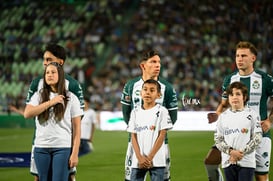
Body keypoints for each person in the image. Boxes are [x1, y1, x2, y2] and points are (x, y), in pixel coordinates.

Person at [205, 41, 273, 181]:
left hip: (259, 134)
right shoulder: (230, 79)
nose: (239, 59)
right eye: (237, 56)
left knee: (261, 176)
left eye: (243, 56)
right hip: (233, 134)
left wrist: (269, 120)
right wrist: (217, 114)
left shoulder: (265, 79)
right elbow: (224, 104)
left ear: (253, 58)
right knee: (211, 161)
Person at [26, 43, 84, 181]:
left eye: (49, 59)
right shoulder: (36, 84)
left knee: (69, 177)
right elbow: (29, 112)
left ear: (60, 62)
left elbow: (77, 121)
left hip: (63, 143)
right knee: (38, 178)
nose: (45, 63)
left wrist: (74, 150)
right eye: (44, 59)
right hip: (40, 142)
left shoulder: (73, 85)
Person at [121, 50, 178, 181]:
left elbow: (172, 117)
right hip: (135, 143)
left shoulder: (167, 88)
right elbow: (126, 115)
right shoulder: (130, 86)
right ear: (143, 66)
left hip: (159, 145)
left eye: (159, 62)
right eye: (153, 62)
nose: (158, 65)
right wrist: (140, 132)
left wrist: (155, 134)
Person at [214, 81, 262, 181]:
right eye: (231, 94)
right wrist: (231, 152)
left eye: (238, 94)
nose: (234, 97)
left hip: (246, 162)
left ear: (244, 97)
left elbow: (257, 138)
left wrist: (240, 153)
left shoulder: (253, 114)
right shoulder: (223, 117)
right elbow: (218, 140)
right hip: (228, 162)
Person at [127, 79, 173, 181]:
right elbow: (133, 136)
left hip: (157, 159)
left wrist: (149, 158)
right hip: (138, 161)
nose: (147, 92)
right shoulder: (135, 112)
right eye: (145, 89)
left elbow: (162, 136)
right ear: (140, 93)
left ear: (158, 95)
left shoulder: (162, 111)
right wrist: (139, 157)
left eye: (152, 90)